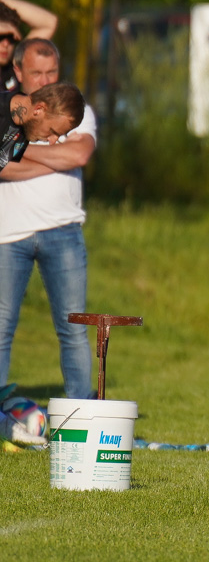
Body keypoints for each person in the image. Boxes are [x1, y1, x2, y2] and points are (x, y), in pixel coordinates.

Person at [0, 41, 93, 399]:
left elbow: (76, 154)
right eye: (54, 131)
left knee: (72, 327)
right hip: (10, 233)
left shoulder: (35, 121)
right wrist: (52, 158)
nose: (55, 141)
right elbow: (4, 168)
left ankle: (82, 415)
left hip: (63, 229)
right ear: (37, 109)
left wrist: (24, 158)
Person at [0, 0, 57, 92]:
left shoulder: (13, 68)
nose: (6, 44)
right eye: (1, 37)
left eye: (11, 37)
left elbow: (49, 23)